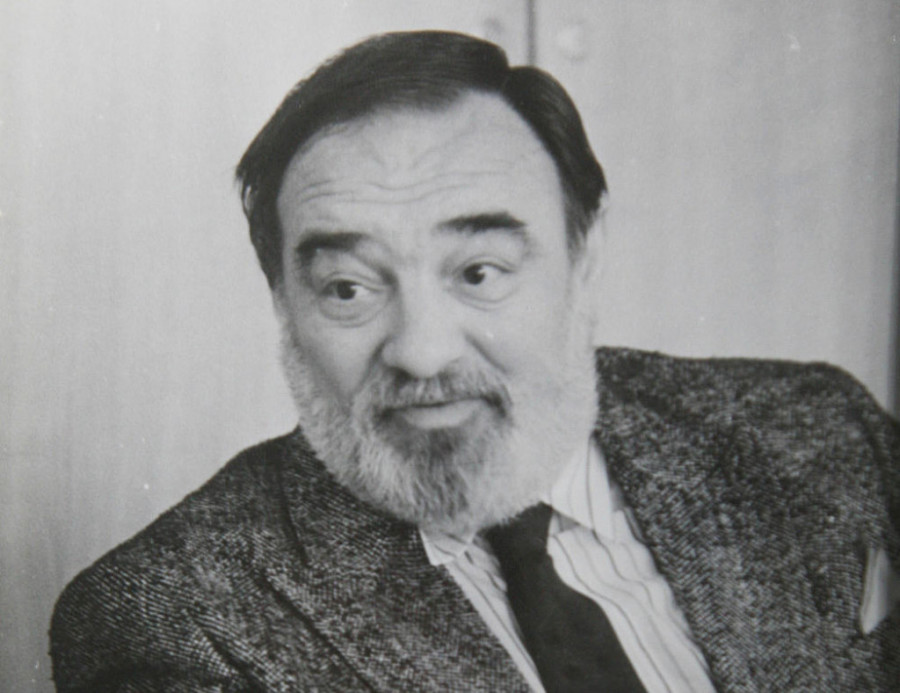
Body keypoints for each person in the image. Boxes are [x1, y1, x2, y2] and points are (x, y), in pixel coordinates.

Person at [50, 31, 899, 692]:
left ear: (585, 259)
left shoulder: (820, 429)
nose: (422, 351)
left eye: (479, 272)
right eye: (347, 288)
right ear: (283, 305)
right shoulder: (178, 618)